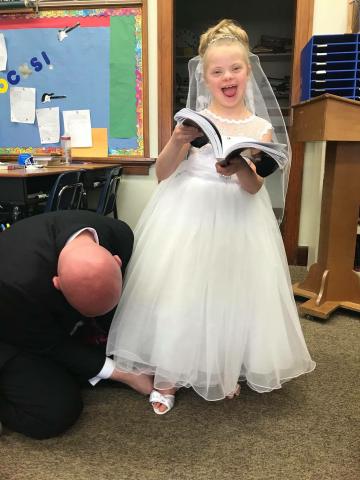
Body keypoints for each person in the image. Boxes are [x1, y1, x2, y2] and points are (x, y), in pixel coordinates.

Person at [107, 19, 315, 415]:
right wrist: (178, 139)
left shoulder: (261, 128)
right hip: (188, 213)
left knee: (230, 292)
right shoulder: (193, 119)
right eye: (217, 71)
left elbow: (255, 187)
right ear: (205, 77)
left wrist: (239, 169)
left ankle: (219, 368)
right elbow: (163, 174)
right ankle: (167, 377)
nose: (227, 77)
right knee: (181, 290)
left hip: (239, 218)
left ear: (248, 71)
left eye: (234, 68)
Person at [0, 210, 153, 439]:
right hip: (12, 327)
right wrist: (125, 374)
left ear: (116, 260)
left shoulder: (120, 235)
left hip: (50, 316)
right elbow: (50, 345)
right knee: (56, 412)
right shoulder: (16, 286)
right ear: (57, 283)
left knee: (118, 358)